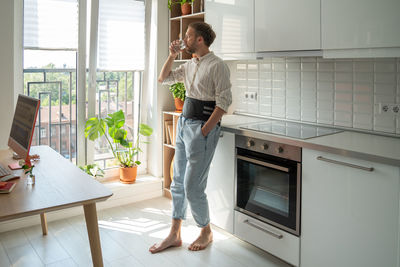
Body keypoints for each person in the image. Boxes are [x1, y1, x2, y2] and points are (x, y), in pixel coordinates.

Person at [149, 22, 232, 253]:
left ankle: (206, 231)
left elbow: (223, 103)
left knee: (192, 186)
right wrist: (172, 55)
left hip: (201, 129)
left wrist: (205, 130)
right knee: (177, 181)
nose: (184, 39)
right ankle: (174, 234)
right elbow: (163, 78)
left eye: (188, 36)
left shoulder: (218, 66)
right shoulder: (188, 64)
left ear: (199, 40)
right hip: (184, 124)